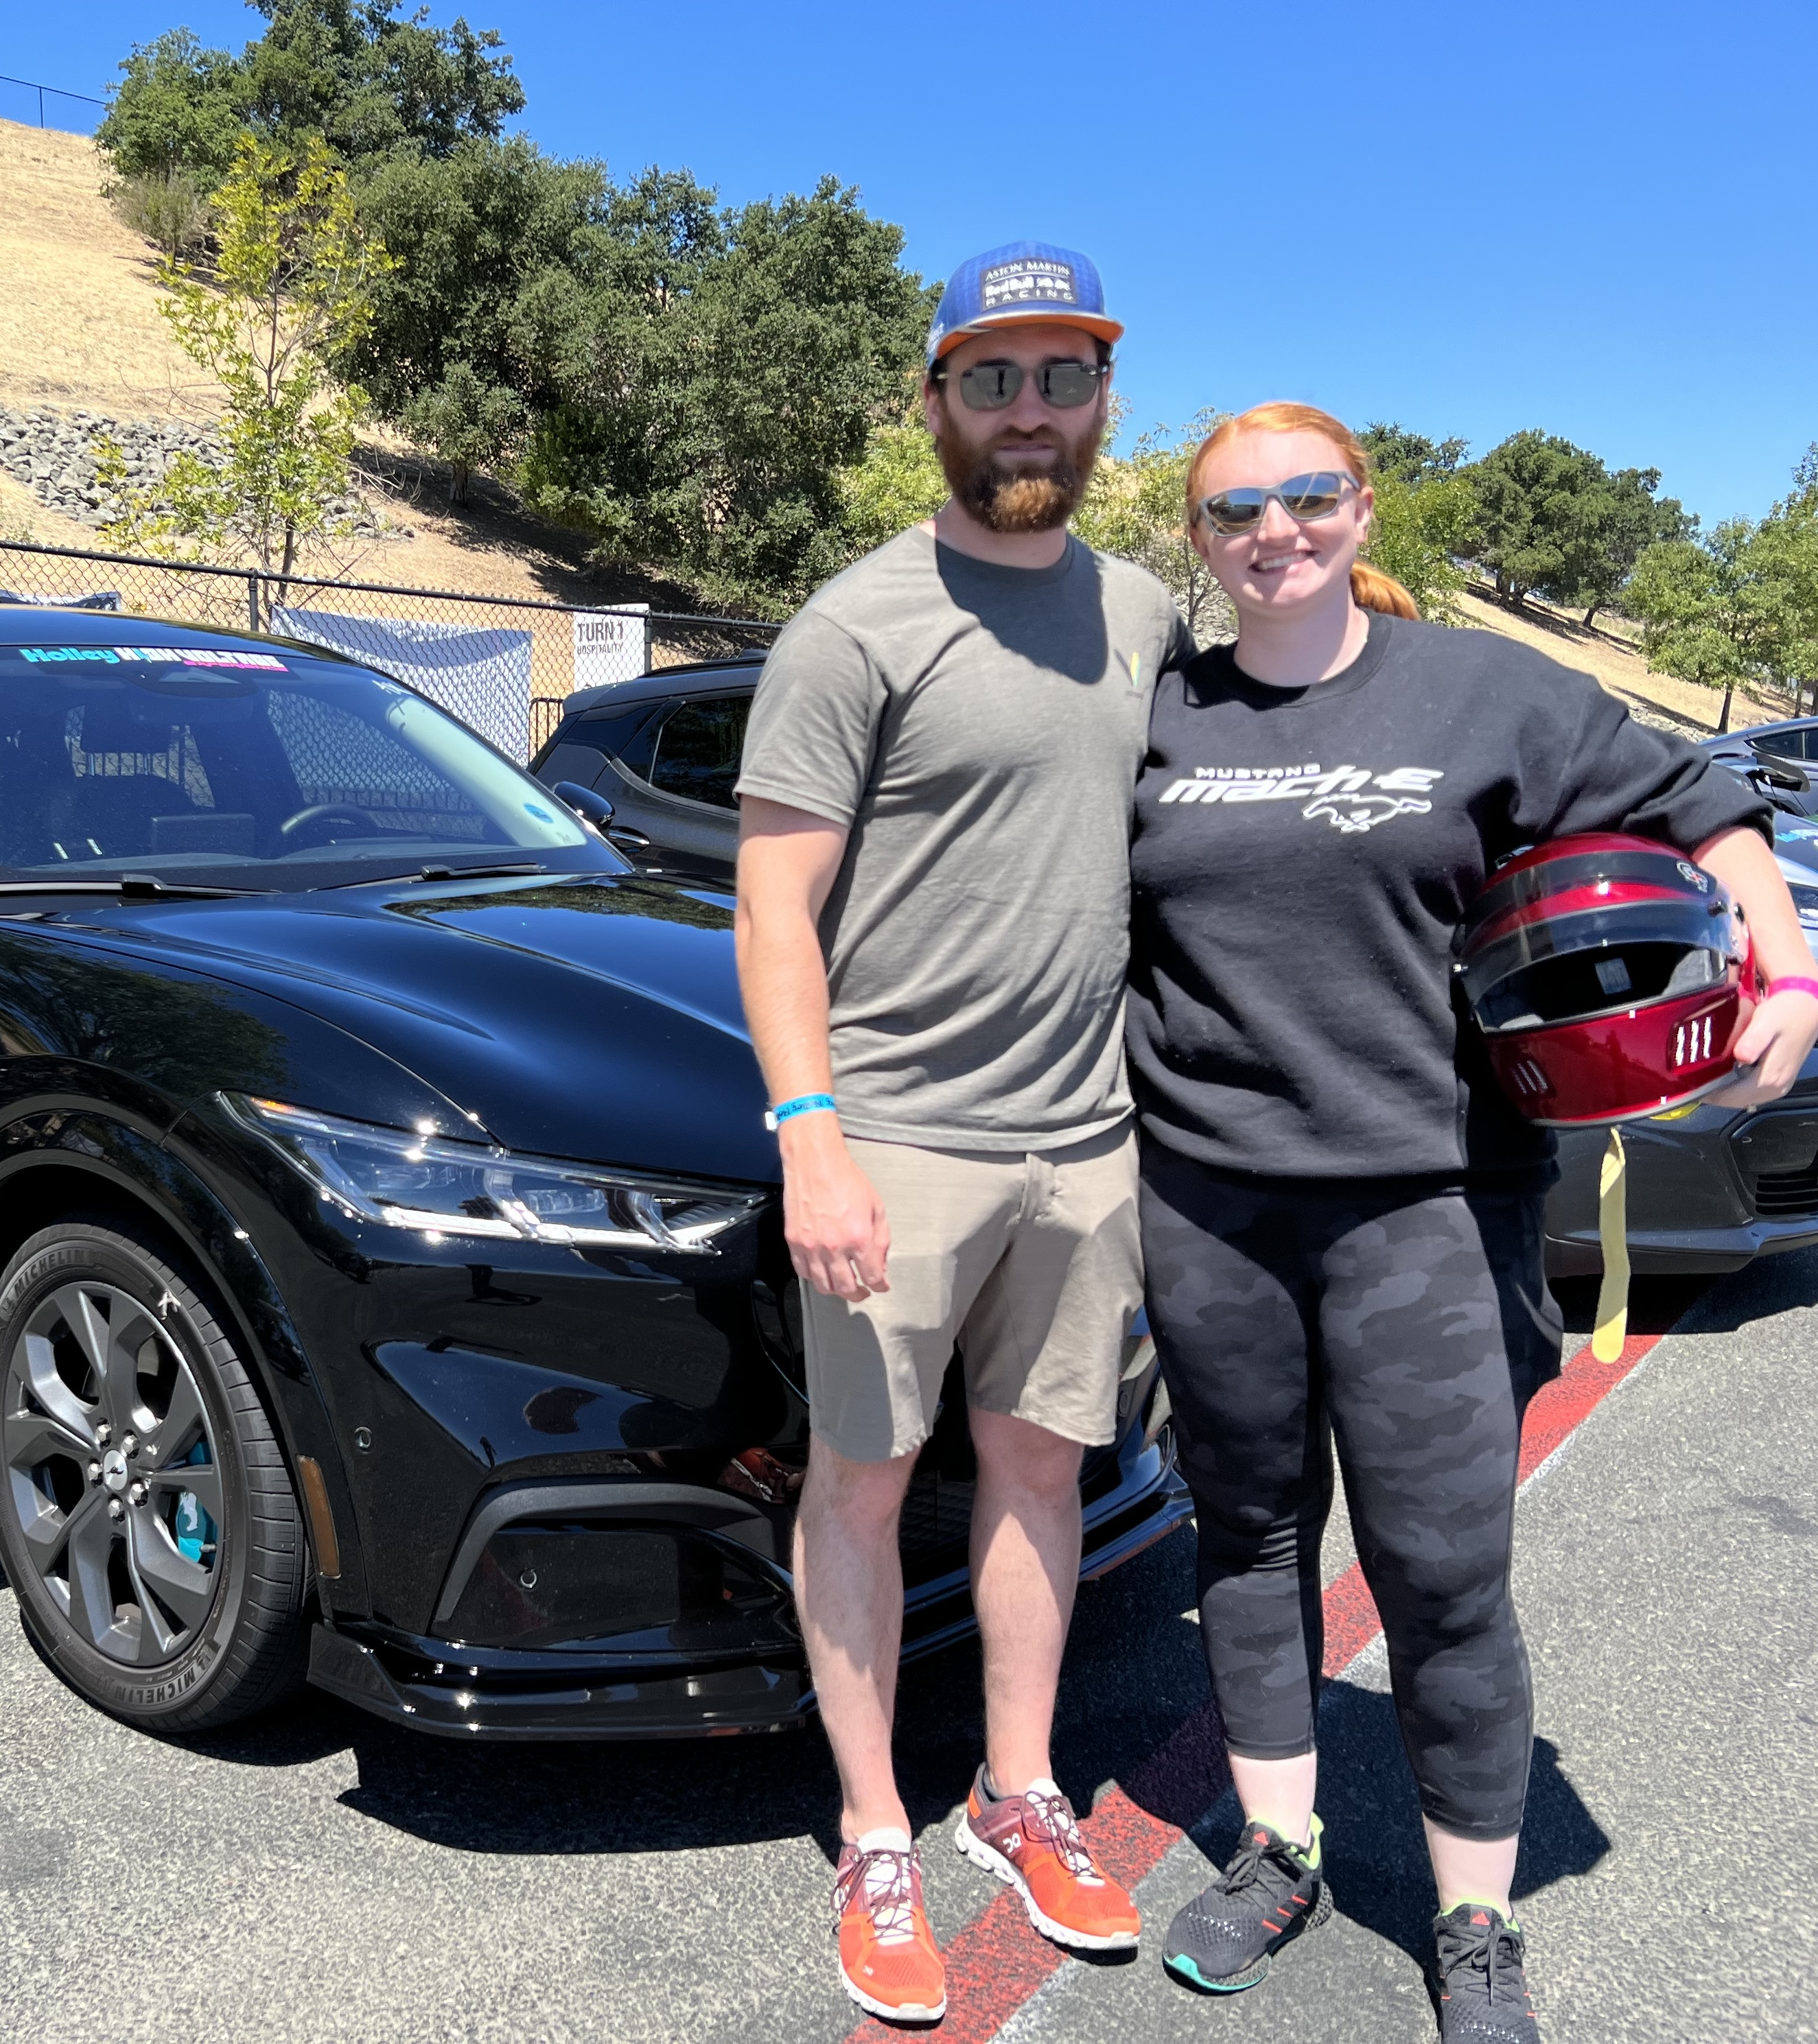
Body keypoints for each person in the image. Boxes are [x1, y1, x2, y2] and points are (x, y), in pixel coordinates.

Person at [1128, 402, 1818, 2041]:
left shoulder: (1486, 691)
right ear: (1201, 532)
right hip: (1206, 1196)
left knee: (1441, 1576)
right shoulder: (1159, 711)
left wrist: (1781, 963)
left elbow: (1705, 802)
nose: (1273, 529)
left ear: (1360, 508)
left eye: (1306, 496)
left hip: (1429, 1204)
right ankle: (1280, 1845)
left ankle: (1473, 1919)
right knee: (1247, 1538)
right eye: (1237, 507)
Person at [733, 241, 1193, 2024]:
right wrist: (811, 1132)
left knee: (1043, 1470)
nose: (1027, 408)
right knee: (858, 1482)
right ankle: (873, 1828)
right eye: (990, 375)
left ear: (1101, 401)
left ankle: (1018, 1794)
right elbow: (775, 912)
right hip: (899, 1142)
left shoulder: (1148, 620)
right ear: (932, 400)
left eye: (1061, 373)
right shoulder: (855, 625)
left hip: (1087, 1146)